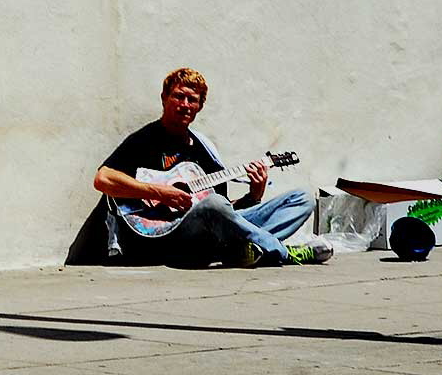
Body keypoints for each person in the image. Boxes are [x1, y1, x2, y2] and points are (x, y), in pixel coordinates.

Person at [93, 67, 332, 268]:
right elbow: (103, 179)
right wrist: (159, 192)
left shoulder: (203, 149)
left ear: (199, 107)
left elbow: (225, 211)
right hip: (167, 236)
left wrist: (253, 195)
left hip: (208, 237)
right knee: (214, 204)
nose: (185, 105)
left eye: (192, 100)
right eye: (178, 96)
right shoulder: (145, 139)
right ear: (164, 98)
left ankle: (245, 249)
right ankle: (282, 252)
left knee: (302, 198)